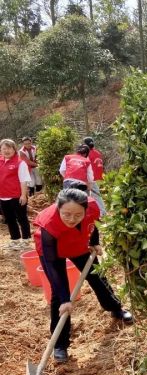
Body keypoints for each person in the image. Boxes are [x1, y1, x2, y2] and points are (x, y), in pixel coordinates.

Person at [34, 189, 133, 363]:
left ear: (85, 210)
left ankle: (116, 309)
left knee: (97, 276)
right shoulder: (48, 225)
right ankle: (60, 345)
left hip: (78, 243)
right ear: (58, 209)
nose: (72, 219)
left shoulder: (92, 207)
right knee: (59, 296)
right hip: (53, 251)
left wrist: (94, 242)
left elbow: (92, 225)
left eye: (78, 215)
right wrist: (66, 299)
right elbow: (51, 266)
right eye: (67, 214)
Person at [0, 138, 32, 250]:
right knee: (9, 219)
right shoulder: (0, 161)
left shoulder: (20, 163)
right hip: (3, 196)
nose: (6, 151)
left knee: (22, 218)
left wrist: (23, 195)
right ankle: (15, 239)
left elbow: (23, 180)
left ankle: (26, 239)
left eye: (9, 148)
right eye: (4, 148)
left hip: (17, 196)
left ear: (14, 149)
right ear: (1, 150)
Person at [83, 137, 106, 216]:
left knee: (93, 196)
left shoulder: (87, 154)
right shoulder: (97, 152)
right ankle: (96, 212)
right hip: (99, 177)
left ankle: (102, 212)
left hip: (92, 178)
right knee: (94, 196)